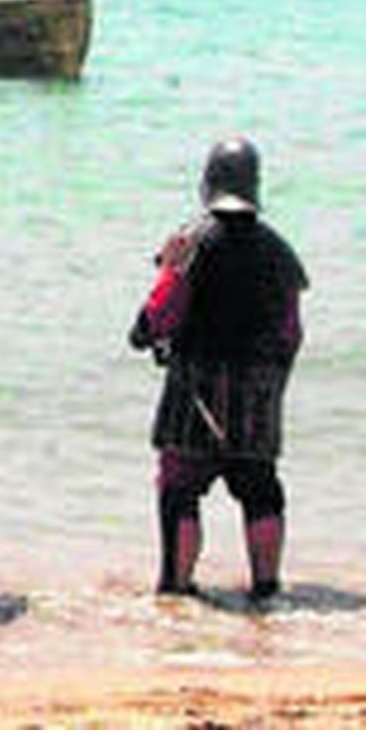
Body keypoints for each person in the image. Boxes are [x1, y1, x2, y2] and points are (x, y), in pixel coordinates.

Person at [128, 137, 308, 600]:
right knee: (260, 490)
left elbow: (162, 312)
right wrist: (271, 386)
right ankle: (266, 588)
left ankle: (178, 589)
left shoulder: (190, 242)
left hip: (195, 391)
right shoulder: (279, 252)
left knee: (179, 489)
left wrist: (143, 332)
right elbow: (291, 334)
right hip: (258, 395)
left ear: (208, 183)